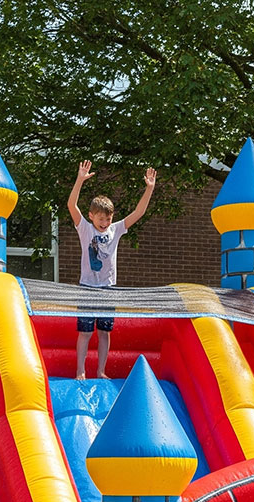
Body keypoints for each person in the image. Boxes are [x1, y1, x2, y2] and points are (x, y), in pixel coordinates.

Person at [67, 159, 157, 379]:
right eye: (100, 219)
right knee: (85, 332)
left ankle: (101, 371)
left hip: (108, 287)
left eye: (107, 219)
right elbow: (72, 206)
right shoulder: (85, 229)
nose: (104, 222)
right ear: (91, 216)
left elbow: (138, 212)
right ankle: (80, 371)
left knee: (105, 331)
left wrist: (149, 188)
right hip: (87, 287)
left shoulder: (116, 229)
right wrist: (79, 180)